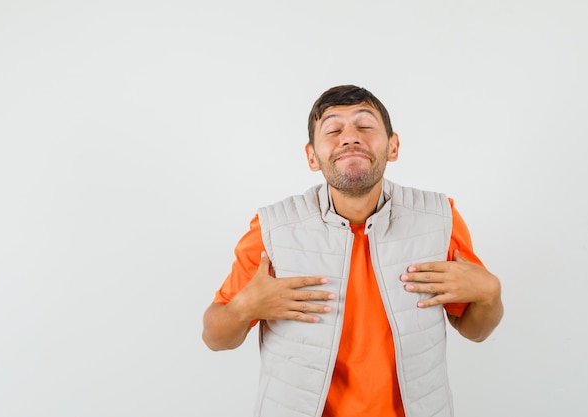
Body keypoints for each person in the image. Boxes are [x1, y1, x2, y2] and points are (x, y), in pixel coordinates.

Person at [202, 85, 503, 417]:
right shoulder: (273, 229)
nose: (349, 138)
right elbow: (215, 337)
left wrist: (490, 294)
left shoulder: (439, 219)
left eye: (365, 126)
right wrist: (244, 308)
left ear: (393, 146)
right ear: (312, 156)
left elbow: (474, 330)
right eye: (333, 129)